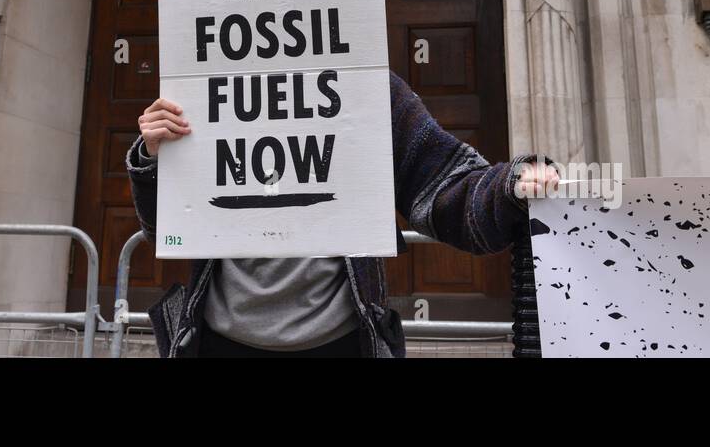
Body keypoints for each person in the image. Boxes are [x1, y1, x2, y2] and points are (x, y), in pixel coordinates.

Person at [127, 69, 560, 358]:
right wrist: (153, 156)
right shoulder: (207, 88)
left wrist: (510, 187)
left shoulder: (368, 88)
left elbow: (444, 187)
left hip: (342, 342)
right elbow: (161, 230)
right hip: (221, 341)